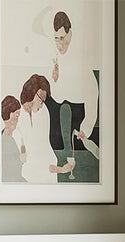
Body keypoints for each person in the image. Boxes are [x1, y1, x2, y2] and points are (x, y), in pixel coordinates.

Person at [47, 10, 98, 157]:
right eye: (56, 38)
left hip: (78, 120)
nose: (59, 44)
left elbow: (92, 92)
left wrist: (86, 126)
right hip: (58, 122)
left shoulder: (81, 60)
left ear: (70, 35)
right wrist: (54, 80)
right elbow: (55, 96)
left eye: (62, 38)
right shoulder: (54, 59)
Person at [18, 74, 73, 183]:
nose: (42, 105)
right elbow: (27, 154)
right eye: (42, 101)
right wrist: (61, 170)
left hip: (47, 172)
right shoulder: (17, 116)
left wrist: (59, 169)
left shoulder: (43, 112)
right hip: (28, 175)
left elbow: (44, 148)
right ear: (35, 94)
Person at [0, 95, 23, 183]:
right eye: (17, 116)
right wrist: (21, 160)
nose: (17, 121)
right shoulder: (6, 140)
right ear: (9, 116)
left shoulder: (6, 137)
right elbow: (11, 170)